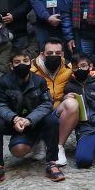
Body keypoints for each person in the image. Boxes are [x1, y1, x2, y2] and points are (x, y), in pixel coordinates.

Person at [0, 53, 64, 187]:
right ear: (11, 65)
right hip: (12, 122)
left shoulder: (39, 81)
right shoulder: (3, 81)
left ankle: (52, 163)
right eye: (17, 61)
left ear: (30, 63)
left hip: (34, 122)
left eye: (25, 60)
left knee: (52, 120)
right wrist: (14, 118)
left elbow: (46, 104)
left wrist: (30, 120)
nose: (22, 64)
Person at [30, 38, 75, 166]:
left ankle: (58, 147)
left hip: (57, 109)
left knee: (72, 104)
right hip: (38, 112)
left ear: (62, 54)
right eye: (49, 53)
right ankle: (39, 141)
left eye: (57, 53)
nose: (54, 56)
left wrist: (66, 96)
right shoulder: (31, 71)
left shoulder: (69, 68)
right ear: (42, 54)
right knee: (19, 151)